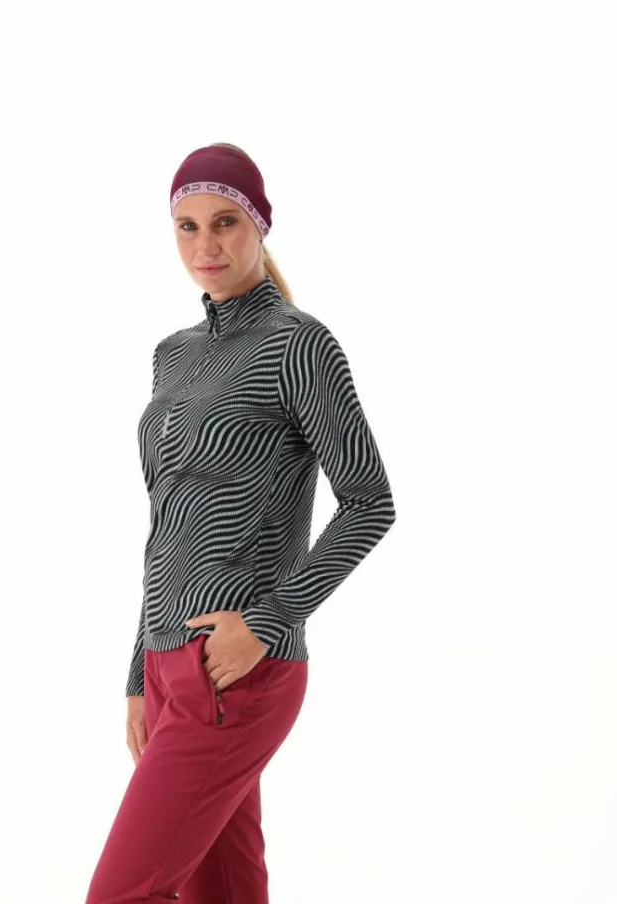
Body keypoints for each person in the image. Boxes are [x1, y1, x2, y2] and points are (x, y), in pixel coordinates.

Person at [85, 143, 396, 904]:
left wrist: (268, 620)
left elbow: (369, 501)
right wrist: (139, 675)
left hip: (235, 668)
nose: (206, 244)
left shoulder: (299, 345)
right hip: (168, 665)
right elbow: (167, 522)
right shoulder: (173, 355)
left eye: (225, 222)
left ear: (260, 224)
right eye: (187, 226)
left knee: (122, 893)